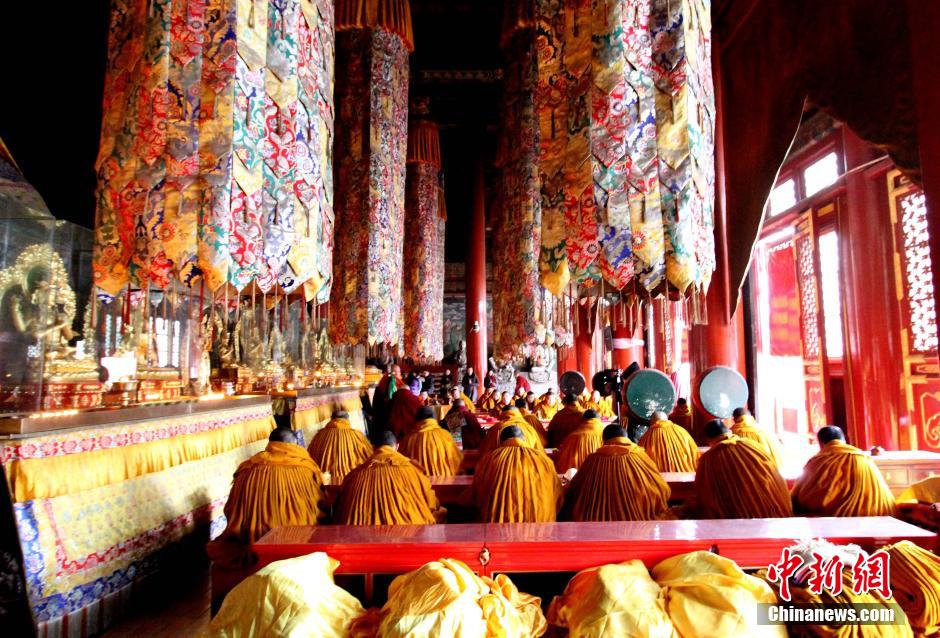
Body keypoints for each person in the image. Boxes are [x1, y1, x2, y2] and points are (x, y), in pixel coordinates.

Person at [208, 428, 324, 567]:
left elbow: (232, 507)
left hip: (252, 540)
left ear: (270, 444)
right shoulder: (306, 468)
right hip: (297, 541)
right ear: (294, 444)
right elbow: (320, 503)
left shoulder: (247, 468)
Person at [564, 425, 671, 522]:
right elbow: (661, 489)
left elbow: (575, 490)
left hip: (597, 521)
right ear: (626, 438)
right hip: (640, 519)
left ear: (603, 440)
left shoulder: (592, 459)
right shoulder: (642, 457)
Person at [335, 431, 445, 525]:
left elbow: (340, 508)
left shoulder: (354, 475)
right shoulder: (413, 471)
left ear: (373, 448)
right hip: (408, 533)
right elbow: (431, 502)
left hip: (360, 538)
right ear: (397, 446)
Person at [694, 420, 792, 519]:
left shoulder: (707, 461)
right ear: (729, 430)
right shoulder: (754, 446)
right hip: (776, 513)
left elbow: (705, 496)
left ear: (708, 440)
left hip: (738, 522)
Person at [791, 426, 897, 517]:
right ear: (844, 440)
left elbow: (798, 495)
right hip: (872, 517)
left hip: (828, 523)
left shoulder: (816, 462)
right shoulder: (863, 459)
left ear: (821, 443)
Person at [471, 425, 563, 522]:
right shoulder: (544, 460)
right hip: (539, 524)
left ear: (501, 441)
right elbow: (557, 495)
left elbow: (476, 494)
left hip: (497, 527)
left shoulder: (488, 459)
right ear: (524, 439)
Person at [306, 410, 372, 483]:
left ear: (332, 419)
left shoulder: (319, 435)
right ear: (347, 419)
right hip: (353, 480)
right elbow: (369, 455)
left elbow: (310, 457)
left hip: (329, 481)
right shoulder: (357, 435)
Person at [398, 407, 463, 476]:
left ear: (417, 419)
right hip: (444, 479)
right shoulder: (445, 435)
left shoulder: (407, 439)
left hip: (418, 482)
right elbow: (457, 461)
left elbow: (400, 463)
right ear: (434, 418)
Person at [477, 405, 546, 457]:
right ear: (518, 414)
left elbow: (484, 452)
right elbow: (540, 451)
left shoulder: (495, 428)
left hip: (499, 466)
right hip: (528, 465)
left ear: (502, 414)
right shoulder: (530, 429)